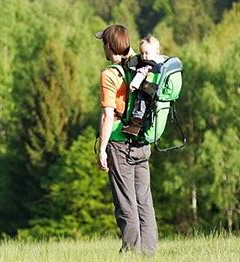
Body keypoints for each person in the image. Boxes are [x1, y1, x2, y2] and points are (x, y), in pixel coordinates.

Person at [95, 25, 158, 255]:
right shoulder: (143, 64)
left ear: (109, 46)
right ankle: (148, 253)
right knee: (144, 201)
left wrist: (102, 150)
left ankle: (131, 253)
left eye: (104, 43)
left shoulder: (110, 74)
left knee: (125, 203)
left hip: (120, 143)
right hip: (142, 141)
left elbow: (108, 114)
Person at [122, 35, 166, 136]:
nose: (144, 56)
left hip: (147, 91)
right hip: (156, 91)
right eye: (141, 53)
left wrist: (134, 84)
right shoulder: (162, 60)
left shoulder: (149, 65)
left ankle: (134, 128)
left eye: (146, 53)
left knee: (139, 107)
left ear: (156, 52)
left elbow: (141, 73)